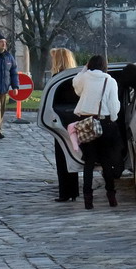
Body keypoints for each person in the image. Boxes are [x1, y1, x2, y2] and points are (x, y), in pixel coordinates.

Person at [72, 55, 121, 210]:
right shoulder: (110, 81)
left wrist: (84, 68)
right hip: (104, 123)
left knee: (89, 162)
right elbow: (114, 105)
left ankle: (88, 199)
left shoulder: (85, 78)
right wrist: (113, 118)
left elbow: (76, 86)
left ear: (90, 64)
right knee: (106, 162)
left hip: (86, 123)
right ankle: (111, 196)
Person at [49, 47, 79, 202]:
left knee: (62, 157)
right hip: (75, 120)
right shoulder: (75, 77)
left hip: (61, 122)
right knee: (72, 156)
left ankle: (65, 192)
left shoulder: (57, 79)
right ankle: (74, 191)